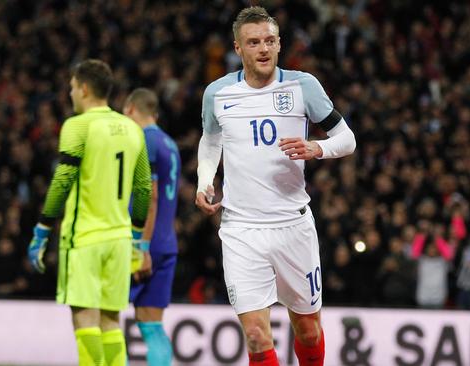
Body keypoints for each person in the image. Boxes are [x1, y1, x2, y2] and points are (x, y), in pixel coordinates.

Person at [195, 6, 356, 366]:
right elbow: (210, 142)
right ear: (238, 48)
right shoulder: (217, 93)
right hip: (241, 228)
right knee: (255, 336)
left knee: (309, 330)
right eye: (254, 43)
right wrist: (205, 181)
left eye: (269, 41)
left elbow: (347, 139)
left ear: (279, 43)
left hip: (292, 226)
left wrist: (317, 148)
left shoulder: (303, 86)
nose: (263, 49)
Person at [27, 59, 151, 366]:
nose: (70, 94)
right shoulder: (132, 129)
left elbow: (63, 180)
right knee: (110, 323)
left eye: (71, 88)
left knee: (84, 320)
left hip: (84, 238)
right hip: (119, 241)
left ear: (83, 89)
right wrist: (135, 237)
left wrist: (43, 228)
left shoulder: (78, 125)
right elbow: (144, 188)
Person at [124, 88, 180, 366]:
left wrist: (140, 246)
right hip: (166, 241)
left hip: (143, 242)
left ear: (131, 109)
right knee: (151, 324)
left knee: (105, 318)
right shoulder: (170, 144)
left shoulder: (143, 140)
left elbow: (152, 195)